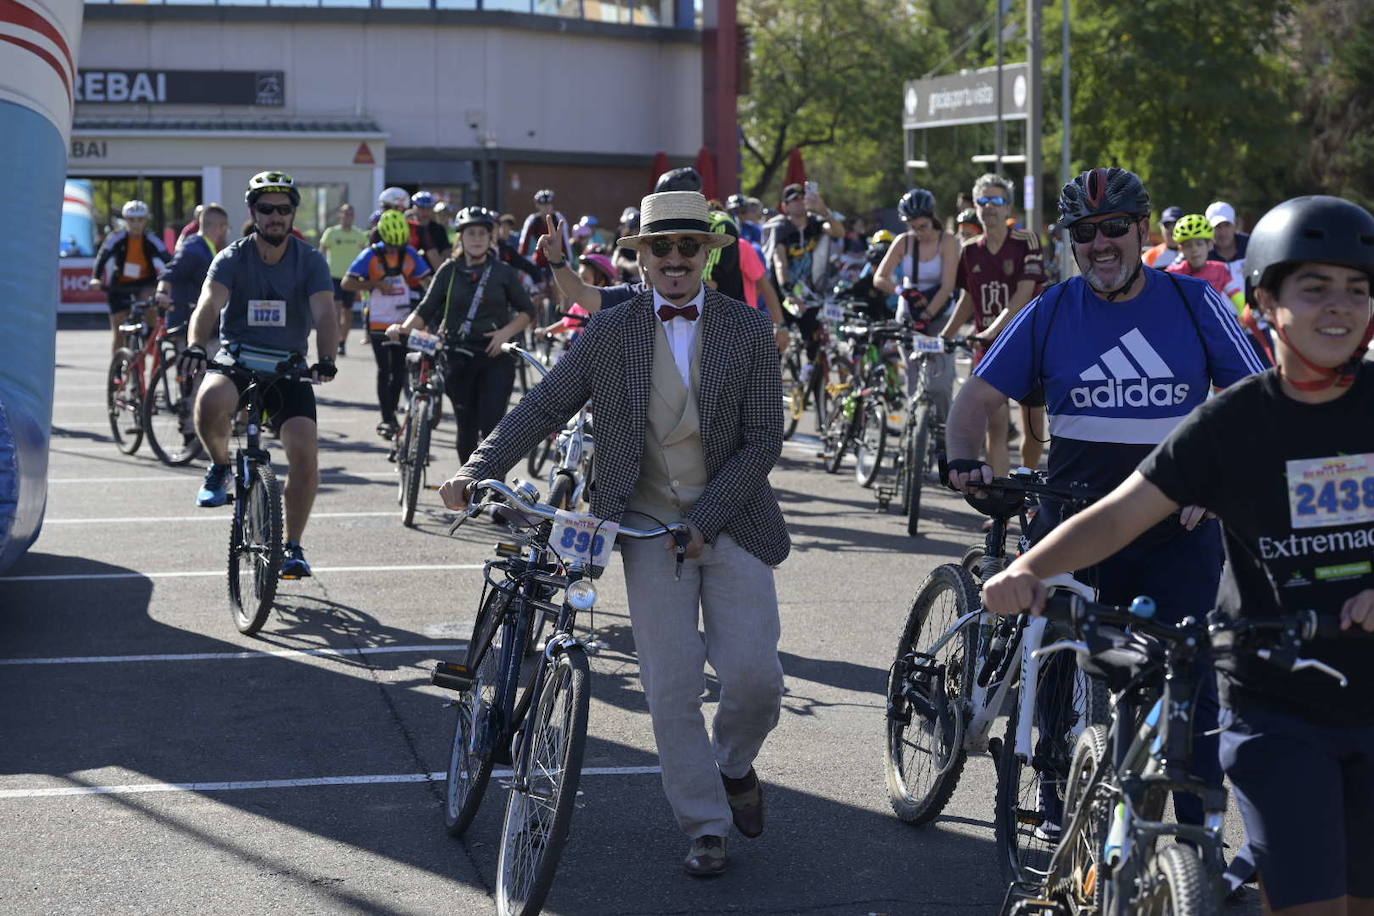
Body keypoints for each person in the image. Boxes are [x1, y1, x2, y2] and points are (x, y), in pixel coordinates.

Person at [979, 194, 1374, 916]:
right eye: (1314, 288)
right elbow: (1120, 514)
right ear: (1266, 300)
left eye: (1357, 288)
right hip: (1276, 705)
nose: (1337, 307)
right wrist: (1027, 569)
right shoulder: (1234, 422)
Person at [440, 190, 787, 878]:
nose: (676, 260)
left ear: (708, 255)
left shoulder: (747, 329)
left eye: (689, 247)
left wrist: (706, 520)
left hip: (735, 520)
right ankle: (705, 824)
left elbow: (763, 441)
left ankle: (736, 767)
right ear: (643, 258)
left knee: (756, 680)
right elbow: (545, 404)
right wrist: (477, 468)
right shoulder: (611, 329)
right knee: (670, 687)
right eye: (662, 247)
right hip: (644, 526)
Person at [946, 165, 1268, 833]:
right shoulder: (1053, 308)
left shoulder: (1192, 301)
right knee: (1057, 663)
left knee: (1193, 677)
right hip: (1074, 521)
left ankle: (1196, 834)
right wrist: (965, 458)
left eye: (1114, 227)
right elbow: (976, 398)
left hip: (1175, 527)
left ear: (1142, 231)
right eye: (1083, 232)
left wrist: (1217, 479)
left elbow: (1256, 401)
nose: (1099, 243)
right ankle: (1057, 810)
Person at [177, 171, 339, 579]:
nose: (275, 217)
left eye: (283, 210)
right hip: (239, 360)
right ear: (253, 212)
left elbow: (324, 312)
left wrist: (326, 357)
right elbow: (208, 305)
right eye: (266, 209)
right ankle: (218, 466)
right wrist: (197, 345)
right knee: (210, 400)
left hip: (288, 367)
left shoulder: (310, 260)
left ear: (292, 215)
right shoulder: (232, 257)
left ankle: (294, 547)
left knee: (305, 455)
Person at [386, 207, 535, 462]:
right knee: (466, 428)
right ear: (461, 238)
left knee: (492, 429)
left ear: (491, 238)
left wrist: (505, 334)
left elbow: (527, 311)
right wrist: (403, 327)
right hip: (457, 357)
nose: (476, 238)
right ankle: (467, 491)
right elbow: (426, 308)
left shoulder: (502, 271)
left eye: (482, 233)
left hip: (495, 355)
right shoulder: (449, 270)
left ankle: (492, 489)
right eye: (470, 233)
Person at [938, 174, 1047, 474]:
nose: (989, 208)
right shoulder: (970, 249)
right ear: (975, 206)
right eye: (983, 201)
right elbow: (969, 299)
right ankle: (1000, 505)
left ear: (1008, 208)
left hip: (1028, 344)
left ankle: (1027, 491)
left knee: (1033, 427)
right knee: (996, 427)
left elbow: (1025, 293)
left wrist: (991, 330)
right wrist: (943, 336)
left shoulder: (1027, 241)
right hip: (987, 349)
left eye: (996, 201)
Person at [342, 210, 432, 440]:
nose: (394, 251)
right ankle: (386, 417)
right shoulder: (370, 255)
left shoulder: (410, 253)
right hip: (378, 320)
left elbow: (427, 281)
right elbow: (347, 282)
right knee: (385, 370)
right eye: (390, 246)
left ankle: (392, 412)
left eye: (398, 246)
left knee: (399, 370)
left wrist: (431, 301)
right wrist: (375, 284)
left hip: (403, 320)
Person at [874, 188, 959, 410]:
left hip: (940, 314)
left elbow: (948, 285)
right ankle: (915, 433)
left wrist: (928, 315)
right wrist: (901, 290)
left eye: (923, 226)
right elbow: (880, 278)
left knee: (939, 383)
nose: (919, 232)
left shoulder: (948, 242)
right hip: (909, 315)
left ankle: (941, 430)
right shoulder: (904, 242)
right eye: (913, 227)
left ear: (933, 218)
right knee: (913, 379)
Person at [654, 168, 746, 303]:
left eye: (670, 206)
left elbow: (708, 282)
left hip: (723, 317)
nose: (667, 212)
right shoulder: (671, 229)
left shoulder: (718, 225)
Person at [91, 199, 170, 354]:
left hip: (145, 283)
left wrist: (175, 278)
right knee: (119, 327)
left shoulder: (151, 239)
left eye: (140, 219)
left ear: (146, 220)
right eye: (131, 219)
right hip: (119, 285)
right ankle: (118, 367)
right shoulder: (116, 237)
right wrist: (96, 277)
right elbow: (102, 256)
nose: (136, 224)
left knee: (151, 303)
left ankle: (149, 338)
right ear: (125, 220)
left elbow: (168, 259)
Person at [154, 202, 230, 341]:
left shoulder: (208, 247)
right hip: (186, 324)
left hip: (201, 322)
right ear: (222, 228)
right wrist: (162, 293)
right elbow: (172, 270)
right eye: (227, 228)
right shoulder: (194, 249)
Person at [318, 203, 369, 356]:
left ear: (353, 217)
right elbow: (321, 253)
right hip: (333, 277)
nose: (347, 217)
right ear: (341, 215)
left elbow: (366, 256)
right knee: (336, 310)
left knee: (348, 313)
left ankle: (342, 342)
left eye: (350, 214)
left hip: (351, 279)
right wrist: (319, 272)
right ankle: (334, 340)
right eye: (345, 214)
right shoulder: (331, 233)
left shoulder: (359, 235)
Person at [1167, 213, 1246, 311]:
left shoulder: (1220, 269)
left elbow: (1238, 299)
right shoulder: (1172, 274)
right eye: (1188, 245)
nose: (1194, 250)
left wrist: (1246, 315)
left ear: (1209, 245)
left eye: (1199, 244)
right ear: (1181, 249)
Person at [517, 188, 571, 277]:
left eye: (548, 204)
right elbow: (523, 244)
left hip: (556, 259)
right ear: (537, 205)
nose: (546, 207)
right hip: (539, 260)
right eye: (543, 204)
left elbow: (566, 243)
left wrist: (568, 262)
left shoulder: (559, 218)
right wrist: (521, 264)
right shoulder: (532, 220)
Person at [1207, 200, 1250, 290]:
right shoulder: (1204, 253)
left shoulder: (1251, 245)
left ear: (1235, 225)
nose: (1222, 232)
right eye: (1217, 227)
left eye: (1227, 225)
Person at [409, 191, 453, 271]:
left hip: (432, 273)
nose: (425, 212)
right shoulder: (408, 228)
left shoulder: (439, 229)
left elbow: (447, 254)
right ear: (414, 208)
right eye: (421, 208)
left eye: (428, 208)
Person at [494, 212, 541, 284]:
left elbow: (522, 262)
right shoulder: (480, 249)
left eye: (508, 226)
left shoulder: (507, 246)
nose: (505, 228)